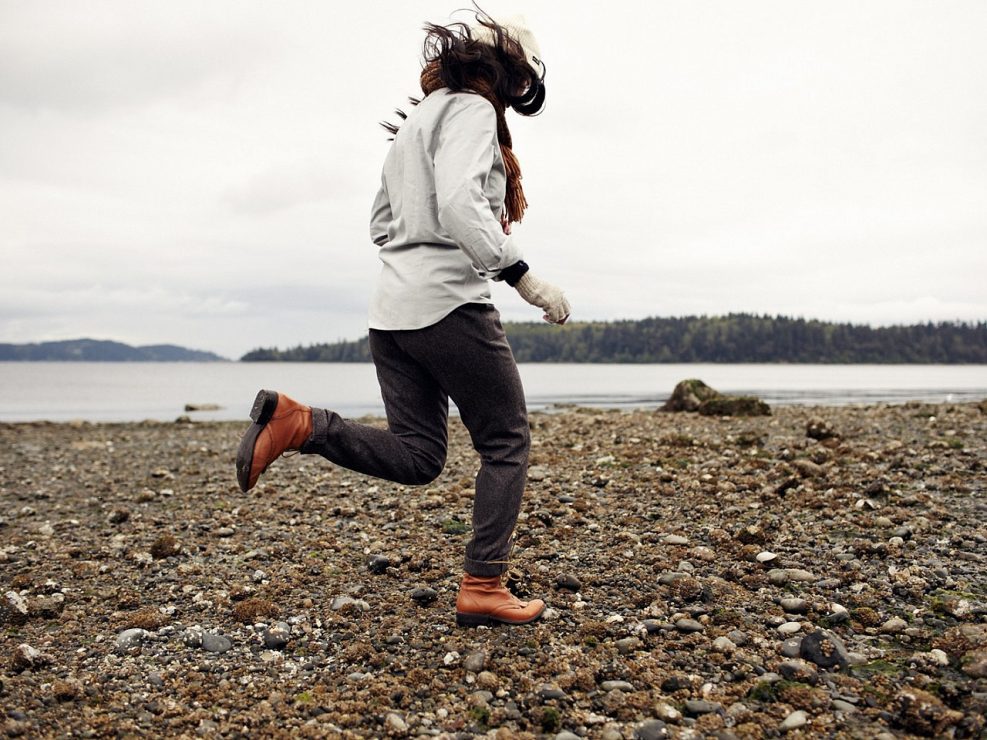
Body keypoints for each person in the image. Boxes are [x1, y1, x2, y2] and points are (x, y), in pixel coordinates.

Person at [235, 9, 570, 627]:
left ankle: (301, 424)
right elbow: (461, 204)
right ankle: (484, 584)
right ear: (508, 72)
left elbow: (380, 222)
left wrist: (414, 255)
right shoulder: (473, 111)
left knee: (420, 455)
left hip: (390, 314)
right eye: (520, 80)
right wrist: (523, 277)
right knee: (506, 441)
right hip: (449, 307)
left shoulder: (418, 119)